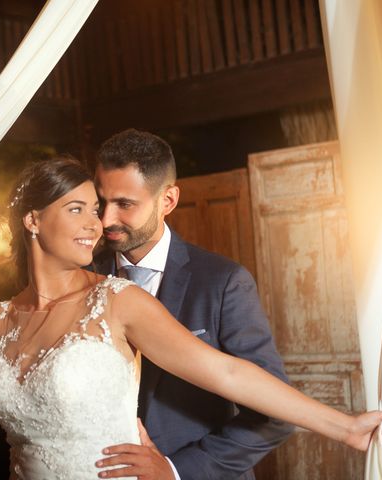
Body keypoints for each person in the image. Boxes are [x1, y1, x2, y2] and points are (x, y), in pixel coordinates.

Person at [0, 156, 382, 480]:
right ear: (33, 220)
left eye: (96, 210)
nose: (95, 225)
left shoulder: (120, 302)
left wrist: (346, 426)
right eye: (77, 209)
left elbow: (229, 374)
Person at [92, 129, 293, 479]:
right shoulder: (81, 277)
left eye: (124, 204)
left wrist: (175, 470)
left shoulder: (223, 282)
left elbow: (275, 413)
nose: (106, 219)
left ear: (167, 200)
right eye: (101, 201)